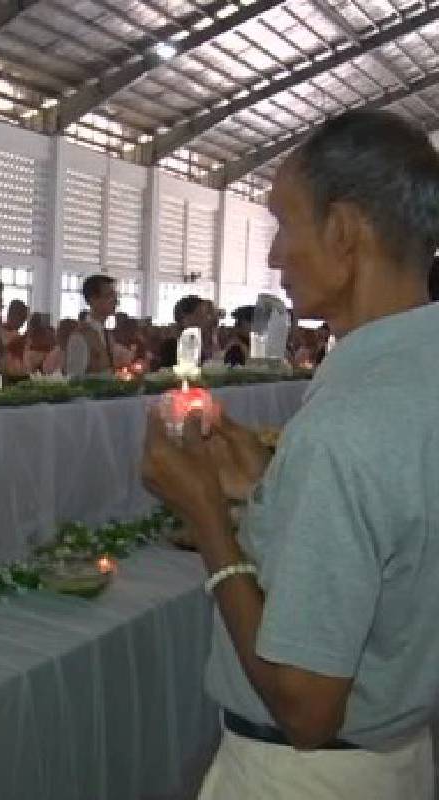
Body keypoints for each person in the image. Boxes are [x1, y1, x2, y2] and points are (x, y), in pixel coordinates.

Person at [143, 110, 439, 799]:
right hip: (399, 756)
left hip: (309, 775)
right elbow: (396, 529)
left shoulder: (349, 419)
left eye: (285, 223)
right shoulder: (413, 372)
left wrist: (209, 517)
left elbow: (306, 706)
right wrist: (269, 486)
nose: (275, 256)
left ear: (342, 231)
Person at [65, 275, 130, 376]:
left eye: (115, 296)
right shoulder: (80, 336)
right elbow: (74, 378)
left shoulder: (107, 334)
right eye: (109, 296)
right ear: (93, 300)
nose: (116, 302)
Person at [157, 295, 216, 369]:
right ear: (185, 318)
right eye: (199, 314)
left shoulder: (203, 340)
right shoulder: (172, 345)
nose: (205, 318)